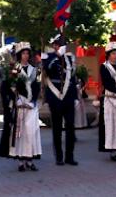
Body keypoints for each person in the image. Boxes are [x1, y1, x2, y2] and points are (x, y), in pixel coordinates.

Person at [0, 42, 42, 171]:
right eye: (23, 53)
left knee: (31, 131)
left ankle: (30, 158)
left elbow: (37, 88)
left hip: (31, 105)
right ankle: (21, 160)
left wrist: (33, 101)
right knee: (20, 133)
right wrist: (15, 99)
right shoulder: (13, 69)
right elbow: (5, 88)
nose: (26, 55)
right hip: (19, 104)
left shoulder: (35, 70)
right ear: (19, 55)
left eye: (28, 53)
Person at [43, 35, 78, 166]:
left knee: (70, 128)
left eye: (62, 44)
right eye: (58, 44)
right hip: (55, 96)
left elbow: (73, 78)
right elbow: (48, 69)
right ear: (54, 45)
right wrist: (58, 56)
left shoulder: (70, 58)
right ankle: (59, 156)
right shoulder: (48, 57)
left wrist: (75, 97)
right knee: (57, 129)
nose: (60, 46)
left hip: (68, 96)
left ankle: (70, 156)